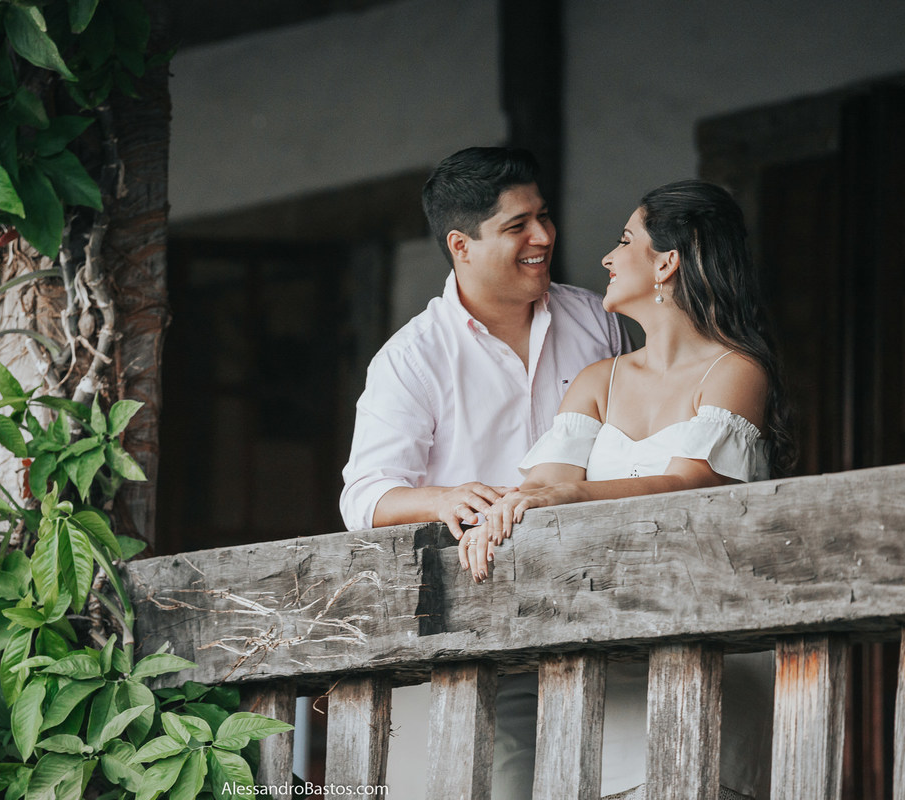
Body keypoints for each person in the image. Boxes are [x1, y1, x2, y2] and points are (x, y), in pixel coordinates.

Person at [461, 179, 793, 799]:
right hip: (604, 670)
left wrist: (569, 497)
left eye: (624, 241)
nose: (608, 258)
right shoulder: (597, 379)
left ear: (666, 262)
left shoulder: (736, 370)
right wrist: (502, 513)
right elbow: (546, 486)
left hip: (706, 659)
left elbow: (692, 483)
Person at [340, 146, 629, 799]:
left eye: (544, 217)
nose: (544, 237)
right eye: (517, 226)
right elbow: (362, 498)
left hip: (609, 611)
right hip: (491, 636)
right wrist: (442, 497)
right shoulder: (411, 358)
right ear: (461, 245)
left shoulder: (597, 321)